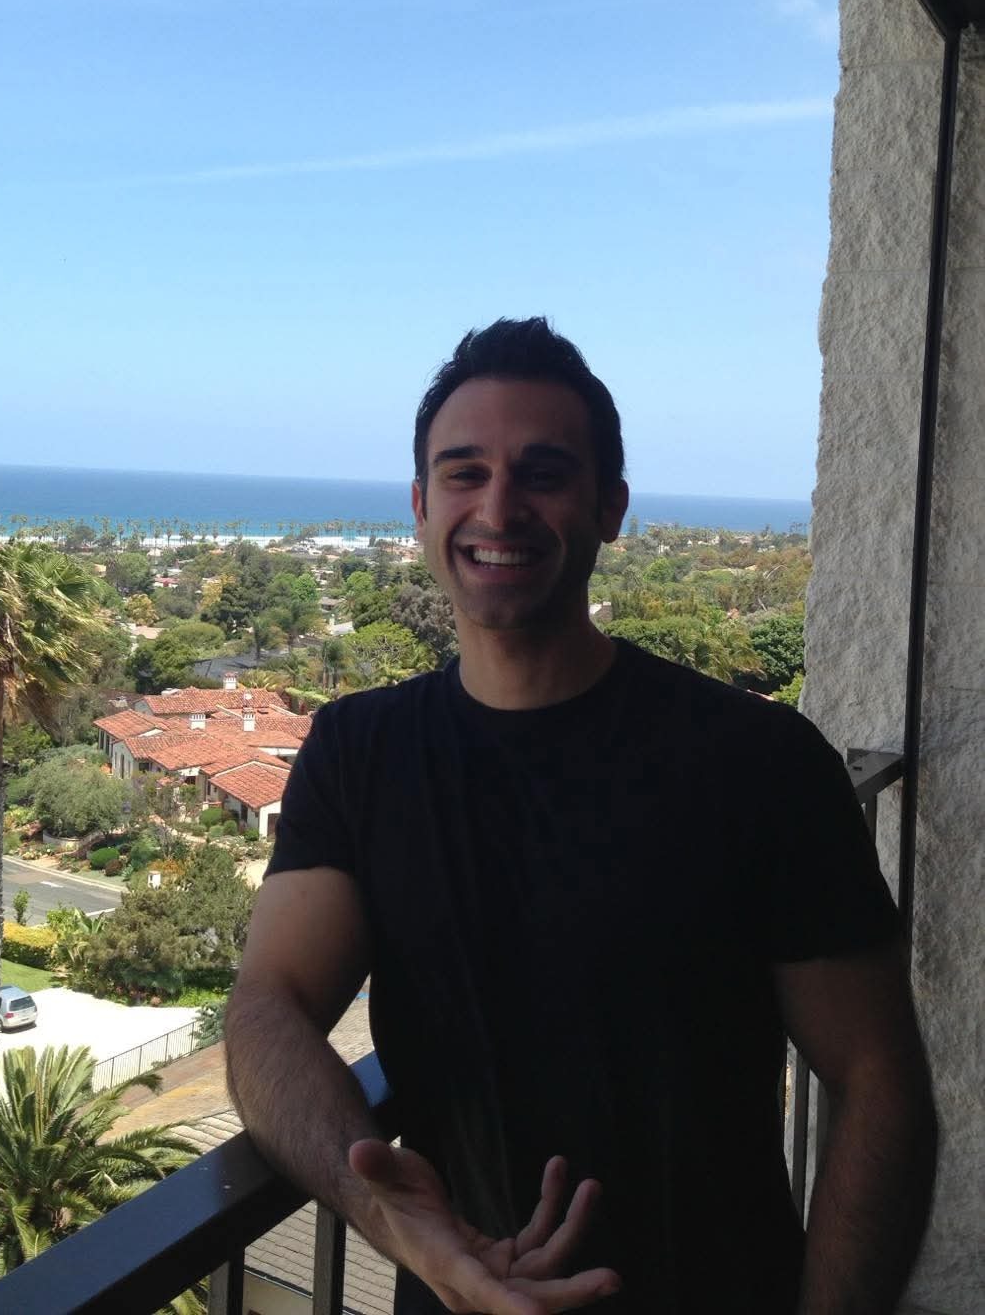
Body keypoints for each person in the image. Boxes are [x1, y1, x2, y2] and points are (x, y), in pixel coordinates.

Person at [225, 318, 937, 1315]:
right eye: (464, 474)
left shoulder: (760, 762)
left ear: (610, 508)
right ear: (422, 507)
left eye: (544, 473)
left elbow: (878, 1084)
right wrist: (393, 1219)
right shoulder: (359, 752)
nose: (498, 507)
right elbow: (269, 1007)